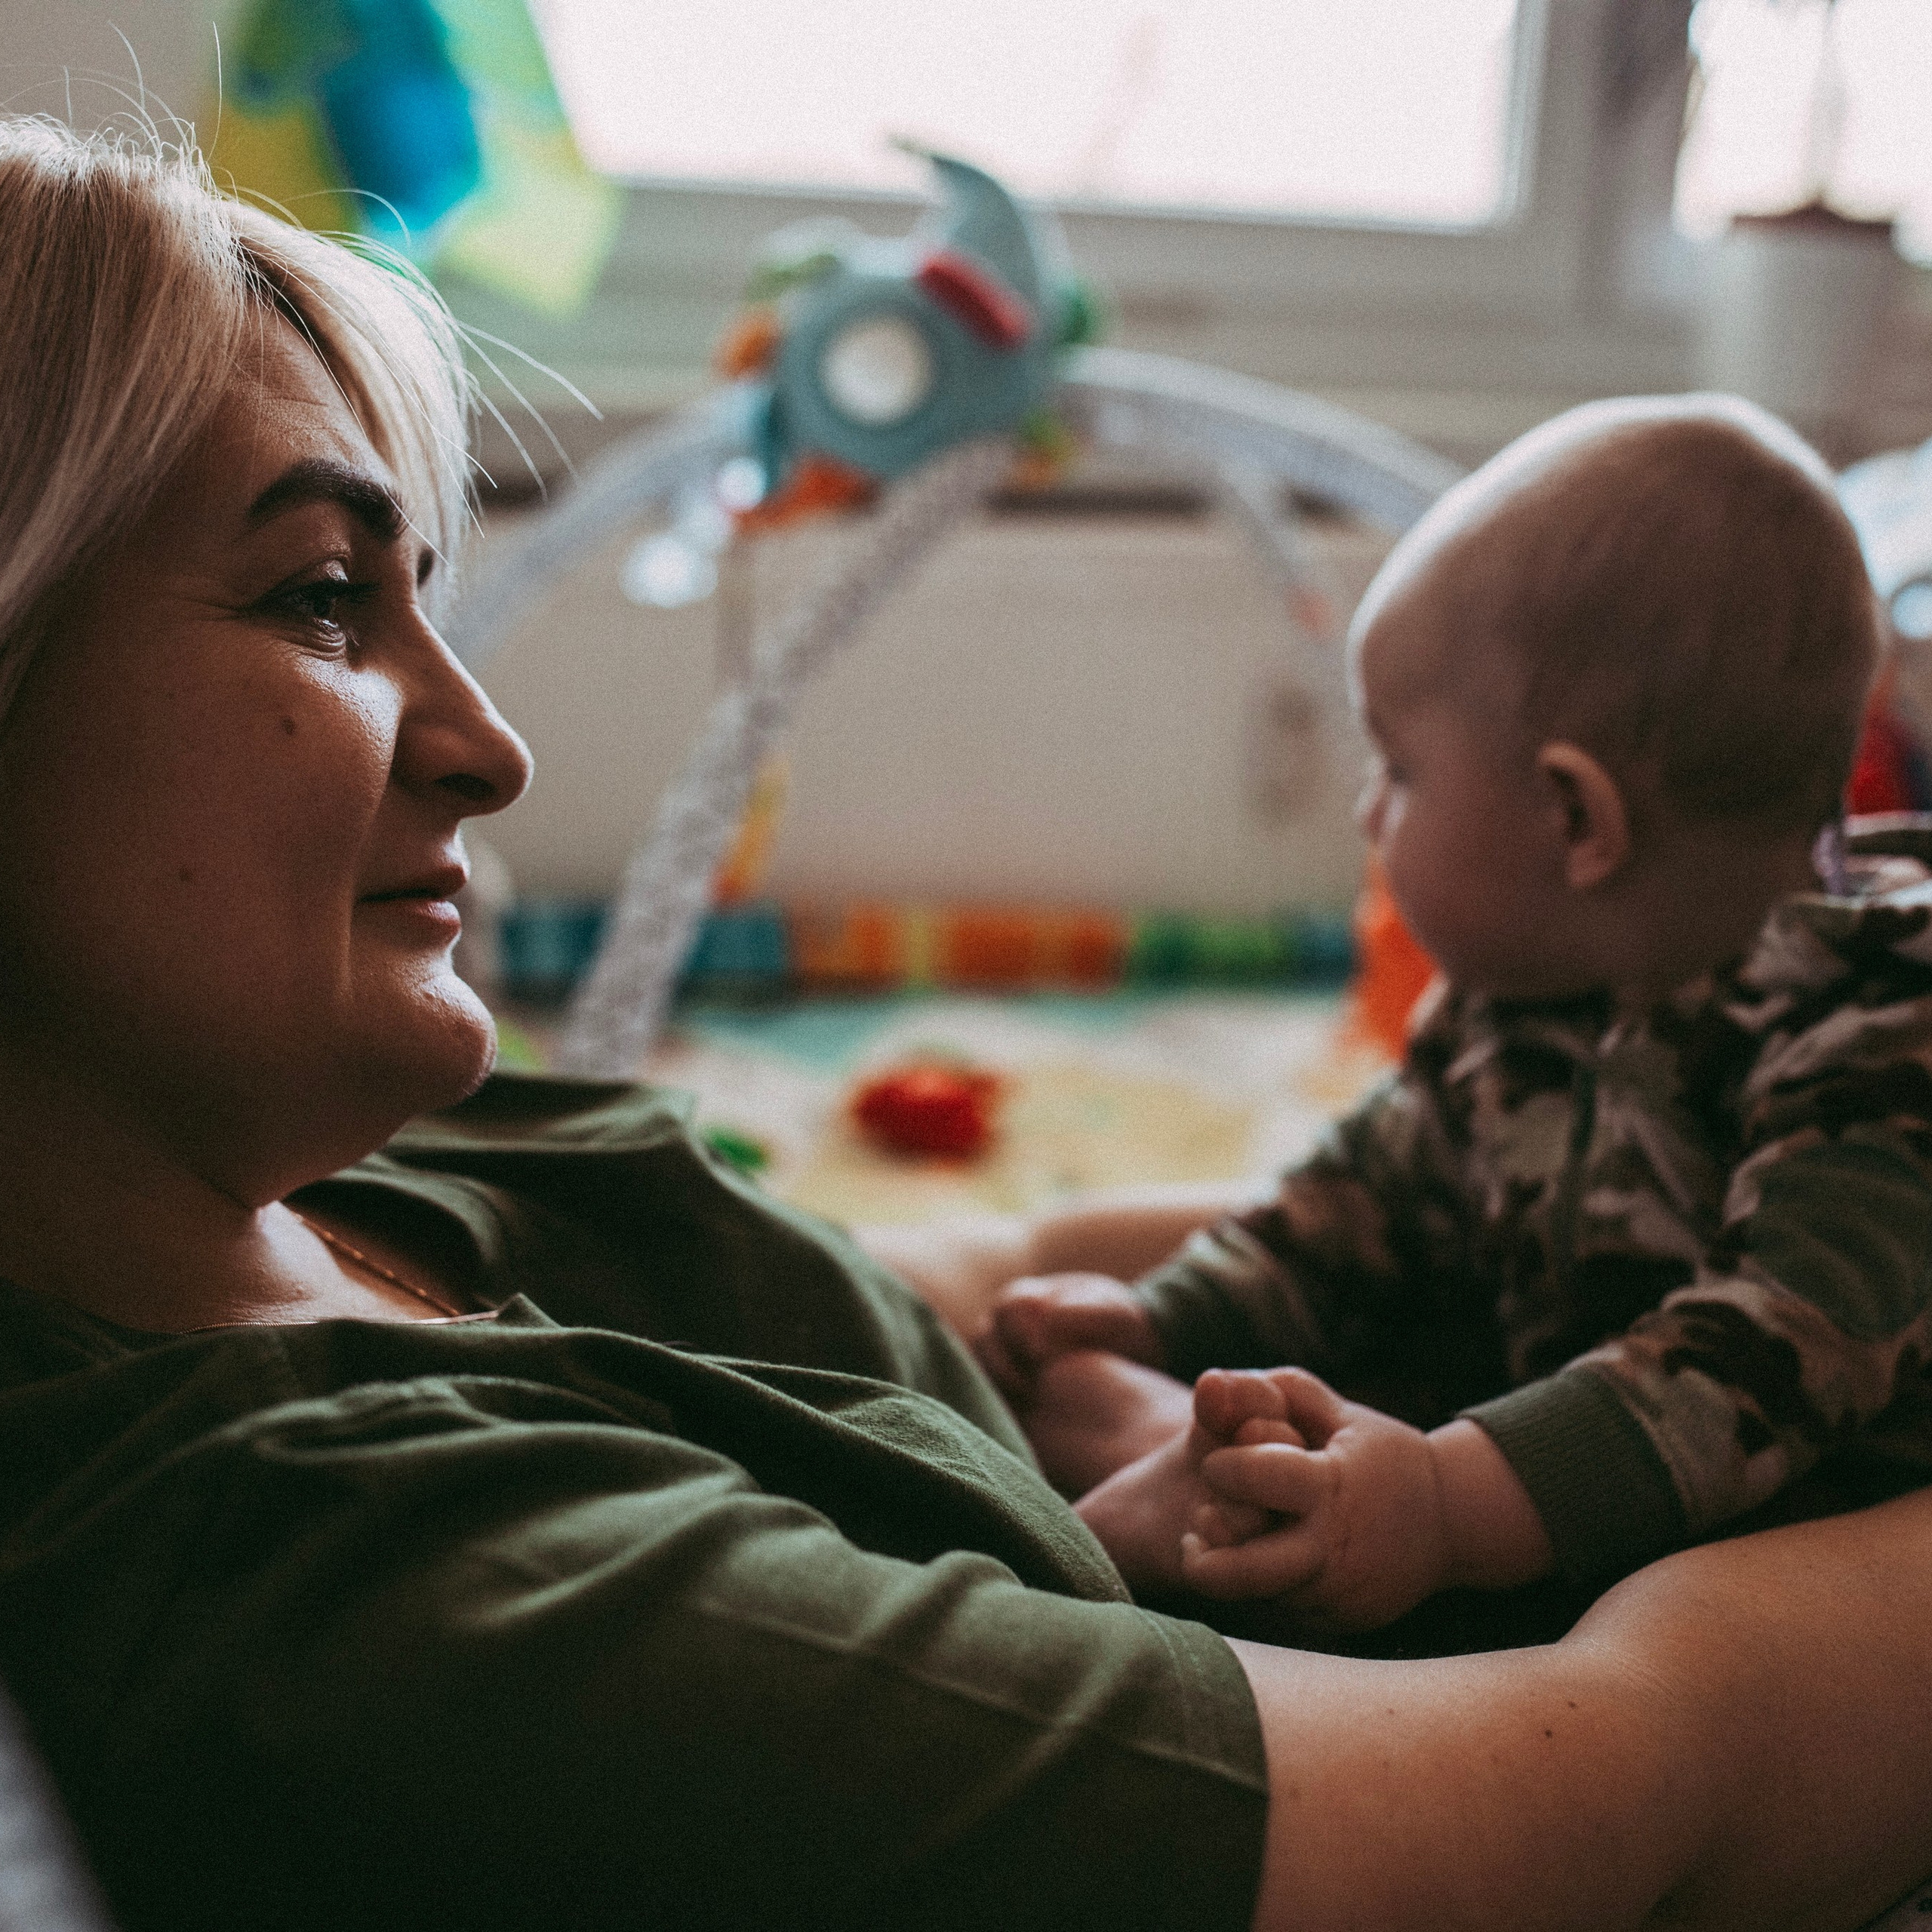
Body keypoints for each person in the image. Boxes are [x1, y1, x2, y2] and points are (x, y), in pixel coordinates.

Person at [2, 115, 1932, 1932]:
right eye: (325, 598)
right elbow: (1631, 1788)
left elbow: (1002, 1278)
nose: (490, 742)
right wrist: (1377, 1472)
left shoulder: (341, 1157)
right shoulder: (417, 1600)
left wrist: (1125, 1385)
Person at [949, 397, 1932, 1642]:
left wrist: (1444, 1508)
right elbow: (1359, 1203)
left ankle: (1235, 1508)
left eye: (1399, 770)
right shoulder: (1519, 995)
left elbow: (1750, 1371)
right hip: (1538, 1428)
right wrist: (1170, 1315)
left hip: (1821, 1568)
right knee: (1137, 1385)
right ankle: (1210, 1460)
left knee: (1687, 1641)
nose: (1370, 812)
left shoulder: (1880, 1040)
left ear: (1575, 822)